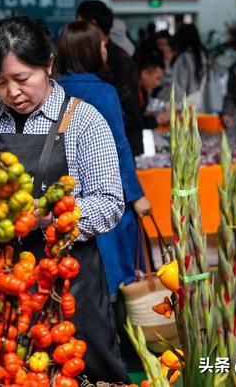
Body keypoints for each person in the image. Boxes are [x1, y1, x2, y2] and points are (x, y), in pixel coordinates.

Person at [0, 15, 130, 384]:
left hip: (68, 289)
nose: (12, 92)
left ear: (49, 65)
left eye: (22, 79)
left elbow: (109, 202)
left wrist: (52, 216)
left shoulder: (84, 121)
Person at [57, 20, 151, 295]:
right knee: (117, 271)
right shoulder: (103, 92)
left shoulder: (55, 90)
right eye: (101, 45)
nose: (106, 50)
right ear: (89, 50)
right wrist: (135, 194)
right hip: (104, 190)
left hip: (70, 194)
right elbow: (120, 147)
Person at [76, 0, 144, 157]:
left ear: (92, 24)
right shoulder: (90, 57)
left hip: (119, 146)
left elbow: (130, 111)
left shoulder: (120, 60)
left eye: (80, 24)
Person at [137, 52, 170, 138]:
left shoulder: (143, 93)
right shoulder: (129, 94)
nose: (158, 83)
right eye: (157, 78)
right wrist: (156, 120)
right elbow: (134, 123)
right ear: (145, 74)